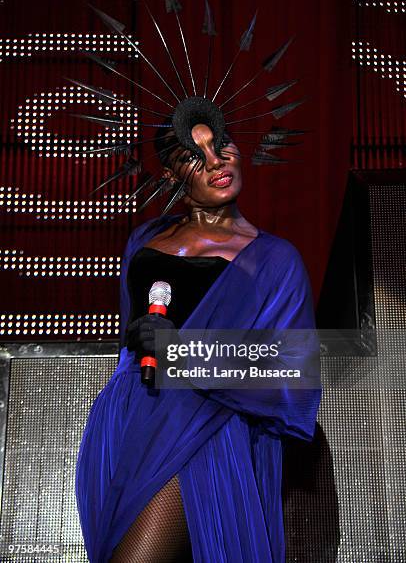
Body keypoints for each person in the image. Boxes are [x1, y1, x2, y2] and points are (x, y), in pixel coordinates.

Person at [75, 121, 322, 563]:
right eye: (194, 154)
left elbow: (291, 376)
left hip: (201, 428)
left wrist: (183, 351)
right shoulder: (145, 239)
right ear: (171, 175)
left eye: (221, 143)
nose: (216, 160)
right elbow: (128, 342)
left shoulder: (273, 258)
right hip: (129, 418)